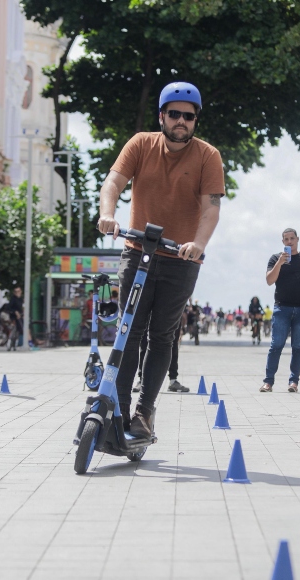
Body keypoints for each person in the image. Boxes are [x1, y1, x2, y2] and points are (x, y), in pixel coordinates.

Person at [97, 81, 223, 438]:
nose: (182, 121)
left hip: (181, 259)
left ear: (196, 120)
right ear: (162, 116)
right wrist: (108, 214)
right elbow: (113, 184)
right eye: (175, 114)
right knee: (129, 329)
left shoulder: (207, 156)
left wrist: (198, 244)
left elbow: (211, 209)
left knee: (162, 336)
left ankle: (144, 413)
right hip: (138, 251)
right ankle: (119, 408)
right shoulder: (140, 144)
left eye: (189, 116)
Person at [260, 228, 300, 393]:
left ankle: (293, 382)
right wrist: (280, 263)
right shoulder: (275, 259)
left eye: (292, 238)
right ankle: (268, 382)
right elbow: (269, 280)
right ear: (282, 242)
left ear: (297, 239)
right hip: (282, 308)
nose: (289, 241)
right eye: (286, 239)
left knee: (298, 346)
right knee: (276, 345)